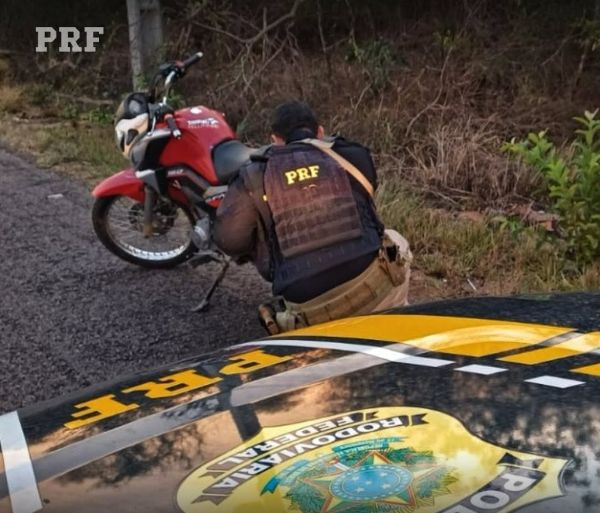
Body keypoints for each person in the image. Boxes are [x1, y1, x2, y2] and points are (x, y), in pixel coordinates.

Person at [213, 101, 412, 334]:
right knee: (394, 238)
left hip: (310, 314)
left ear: (275, 140)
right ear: (320, 131)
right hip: (371, 291)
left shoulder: (254, 176)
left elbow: (229, 240)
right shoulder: (351, 154)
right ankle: (399, 327)